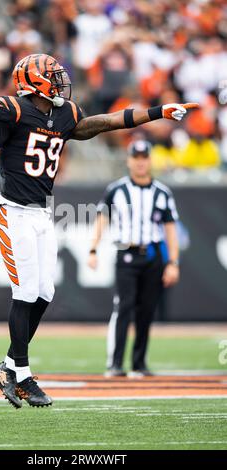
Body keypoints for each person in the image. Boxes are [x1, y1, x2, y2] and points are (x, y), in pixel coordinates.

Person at [0, 53, 197, 408]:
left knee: (44, 292)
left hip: (41, 214)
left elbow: (105, 122)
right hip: (12, 213)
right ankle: (21, 374)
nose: (59, 81)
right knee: (25, 293)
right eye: (52, 76)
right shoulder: (13, 109)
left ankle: (9, 366)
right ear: (34, 81)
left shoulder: (65, 114)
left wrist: (157, 111)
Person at [88, 140, 180, 378]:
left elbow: (171, 229)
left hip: (153, 256)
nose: (140, 162)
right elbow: (102, 219)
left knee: (147, 310)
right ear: (129, 160)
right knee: (124, 307)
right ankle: (116, 363)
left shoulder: (162, 193)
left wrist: (172, 262)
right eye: (136, 157)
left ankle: (139, 363)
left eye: (144, 157)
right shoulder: (116, 189)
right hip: (126, 254)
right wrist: (93, 249)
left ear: (149, 160)